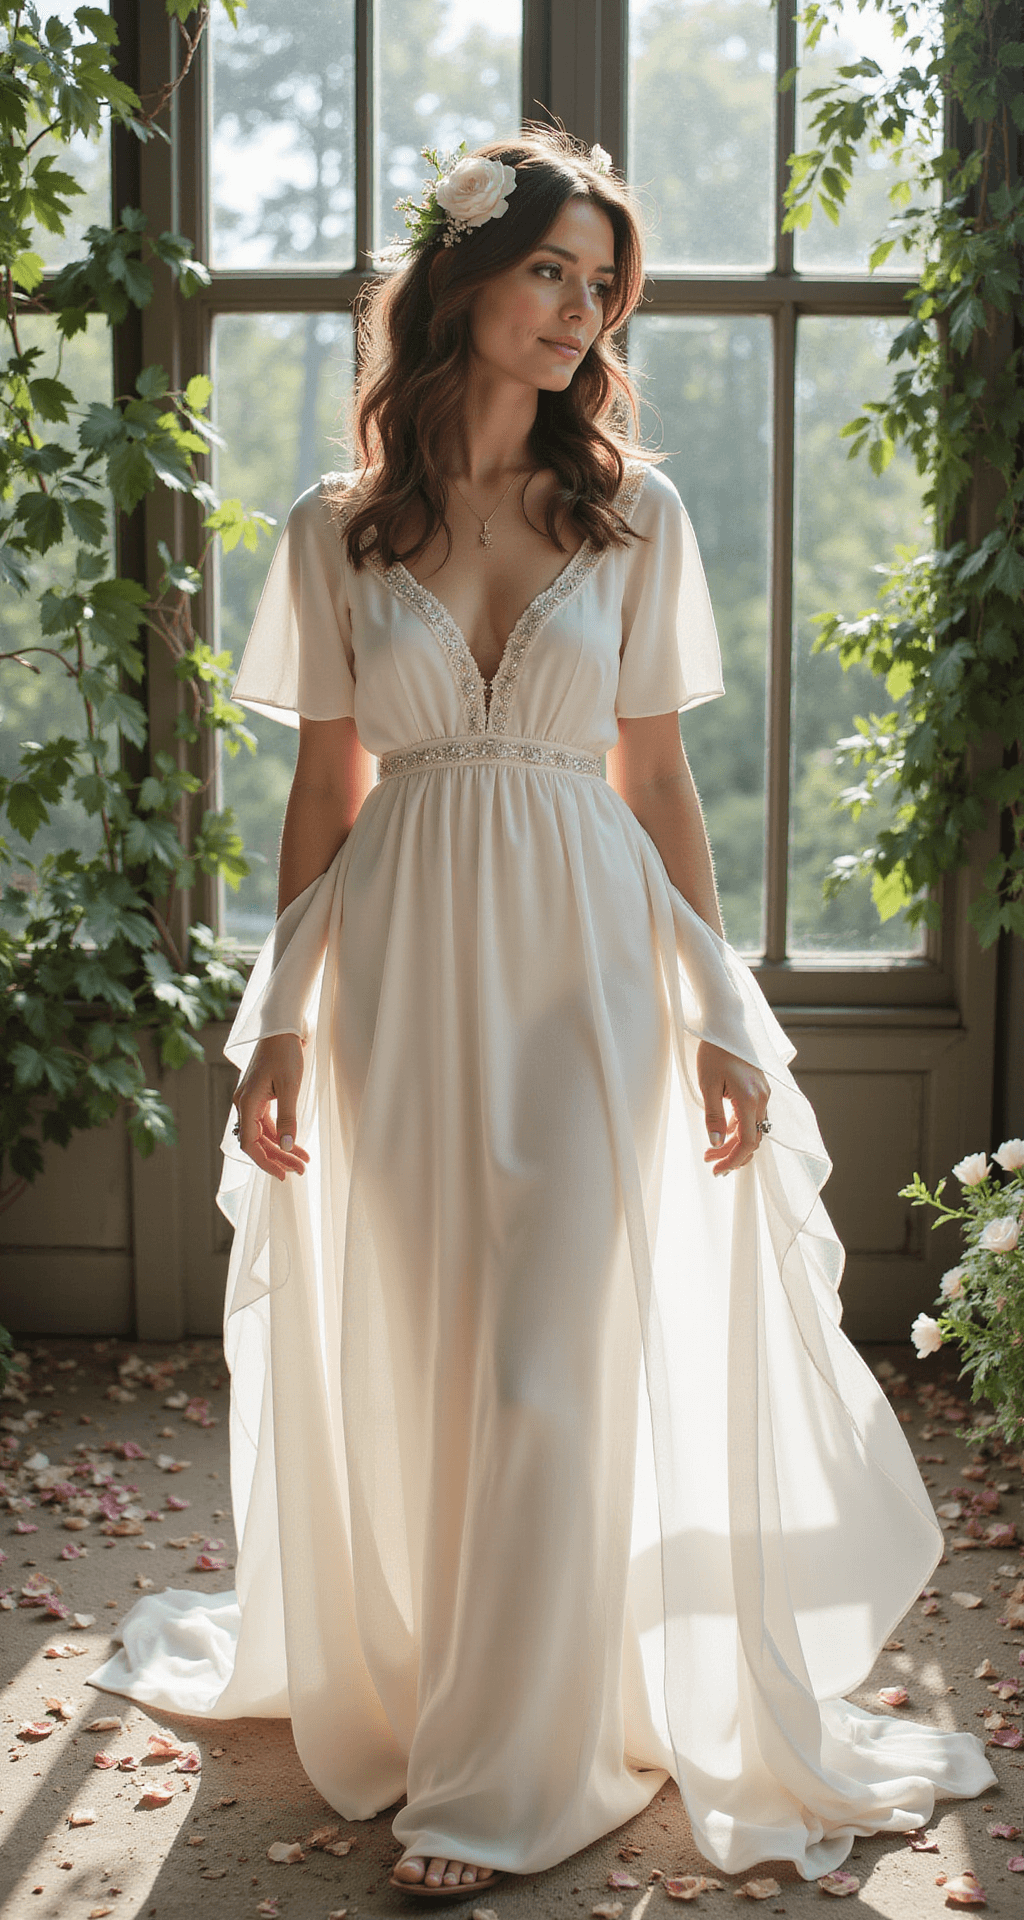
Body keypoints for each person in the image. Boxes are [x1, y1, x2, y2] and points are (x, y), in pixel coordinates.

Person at [90, 130, 995, 1899]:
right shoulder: (333, 531)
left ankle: (511, 1778)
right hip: (403, 964)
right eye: (553, 275)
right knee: (433, 1348)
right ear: (465, 286)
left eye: (604, 286)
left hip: (591, 958)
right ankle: (450, 1688)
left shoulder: (639, 510)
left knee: (550, 1364)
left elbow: (658, 786)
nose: (585, 312)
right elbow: (321, 802)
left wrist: (725, 1012)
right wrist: (279, 1023)